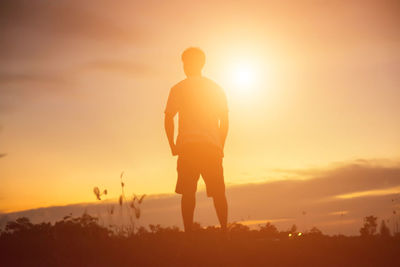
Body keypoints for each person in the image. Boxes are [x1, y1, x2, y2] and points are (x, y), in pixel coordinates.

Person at [164, 47, 229, 235]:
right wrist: (220, 146)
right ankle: (225, 233)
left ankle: (189, 236)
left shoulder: (178, 89)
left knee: (188, 193)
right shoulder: (215, 88)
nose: (185, 66)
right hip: (210, 148)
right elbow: (224, 120)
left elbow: (168, 118)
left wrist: (173, 146)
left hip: (188, 147)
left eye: (185, 62)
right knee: (218, 193)